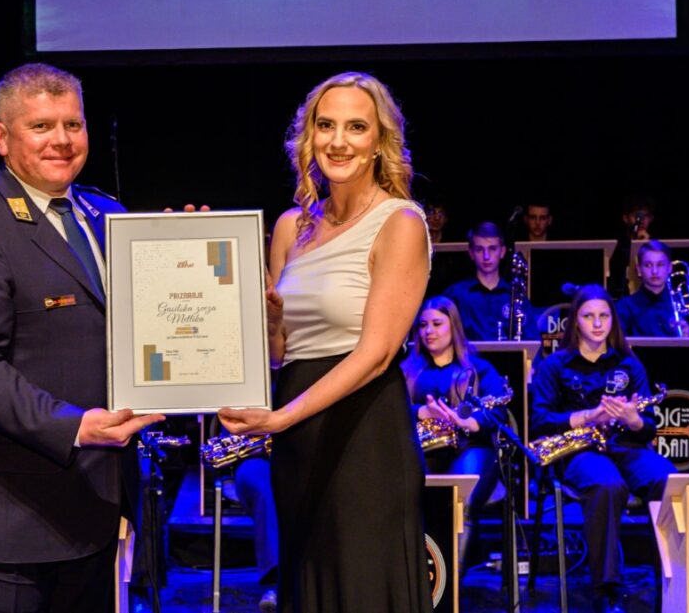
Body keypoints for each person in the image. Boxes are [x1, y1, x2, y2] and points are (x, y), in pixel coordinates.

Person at [0, 63, 164, 613]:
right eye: (41, 126)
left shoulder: (108, 215)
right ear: (1, 137)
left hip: (92, 508)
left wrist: (188, 258)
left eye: (73, 124)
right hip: (0, 519)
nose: (62, 140)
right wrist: (72, 425)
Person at [219, 72, 432, 612]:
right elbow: (281, 353)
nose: (338, 141)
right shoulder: (291, 228)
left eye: (356, 127)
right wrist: (269, 322)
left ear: (379, 141)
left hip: (365, 439)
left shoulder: (400, 223)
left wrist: (280, 419)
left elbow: (376, 354)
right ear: (308, 136)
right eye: (326, 125)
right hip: (297, 443)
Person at [530, 284, 675, 613]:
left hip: (626, 446)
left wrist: (633, 420)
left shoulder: (629, 363)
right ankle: (606, 589)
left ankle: (671, 580)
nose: (597, 324)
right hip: (579, 451)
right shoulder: (556, 365)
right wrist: (587, 416)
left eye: (604, 316)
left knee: (667, 478)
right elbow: (539, 420)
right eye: (588, 316)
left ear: (613, 320)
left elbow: (649, 426)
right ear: (575, 321)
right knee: (607, 484)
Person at [401, 296, 509, 564]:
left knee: (463, 500)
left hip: (471, 447)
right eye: (423, 325)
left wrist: (467, 422)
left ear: (454, 326)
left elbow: (497, 412)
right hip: (423, 448)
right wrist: (421, 412)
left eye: (437, 324)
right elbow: (388, 410)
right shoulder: (407, 371)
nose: (429, 331)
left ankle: (451, 584)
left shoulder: (480, 369)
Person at [442, 221, 537, 341]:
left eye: (492, 249)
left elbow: (532, 341)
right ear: (471, 253)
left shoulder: (515, 296)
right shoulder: (455, 295)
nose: (486, 256)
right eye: (479, 249)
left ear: (502, 252)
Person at [616, 240, 689, 337]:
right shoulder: (624, 307)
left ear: (670, 268)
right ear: (639, 269)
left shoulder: (684, 305)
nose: (654, 271)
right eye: (648, 265)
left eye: (660, 265)